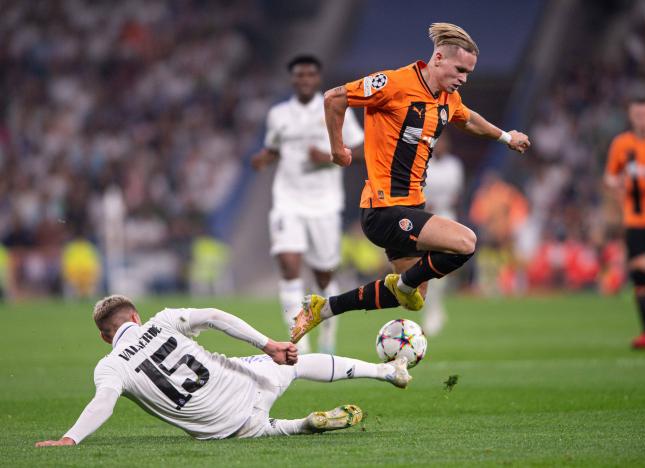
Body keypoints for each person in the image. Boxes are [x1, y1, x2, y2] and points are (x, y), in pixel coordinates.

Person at [291, 23, 530, 342]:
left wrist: (504, 136)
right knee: (466, 242)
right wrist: (338, 150)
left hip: (411, 204)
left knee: (413, 297)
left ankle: (322, 309)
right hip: (383, 208)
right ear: (439, 57)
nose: (463, 78)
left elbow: (468, 119)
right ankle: (400, 285)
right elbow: (334, 98)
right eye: (459, 69)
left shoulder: (448, 98)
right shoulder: (394, 83)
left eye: (469, 73)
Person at [35, 295, 411, 447]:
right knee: (294, 367)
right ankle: (386, 372)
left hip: (224, 430)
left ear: (105, 337)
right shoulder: (162, 321)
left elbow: (103, 403)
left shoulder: (111, 366)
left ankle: (299, 425)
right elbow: (214, 316)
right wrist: (269, 345)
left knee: (263, 429)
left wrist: (69, 439)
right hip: (249, 385)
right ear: (135, 317)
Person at [251, 55, 364, 354]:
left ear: (318, 79)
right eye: (299, 75)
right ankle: (296, 340)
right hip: (287, 201)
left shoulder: (335, 108)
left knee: (324, 274)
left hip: (325, 204)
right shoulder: (278, 114)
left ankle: (328, 334)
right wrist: (265, 158)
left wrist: (328, 156)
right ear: (293, 79)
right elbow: (276, 147)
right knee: (289, 265)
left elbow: (359, 149)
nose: (304, 80)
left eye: (310, 75)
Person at [604, 95, 645, 349]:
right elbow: (609, 177)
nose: (643, 120)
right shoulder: (621, 144)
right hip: (636, 221)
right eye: (638, 115)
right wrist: (619, 183)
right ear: (631, 116)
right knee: (640, 273)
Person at [420, 134, 464, 336]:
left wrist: (442, 202)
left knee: (441, 267)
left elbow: (457, 194)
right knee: (428, 266)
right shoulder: (423, 163)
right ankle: (432, 312)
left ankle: (436, 310)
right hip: (427, 219)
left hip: (446, 216)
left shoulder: (454, 165)